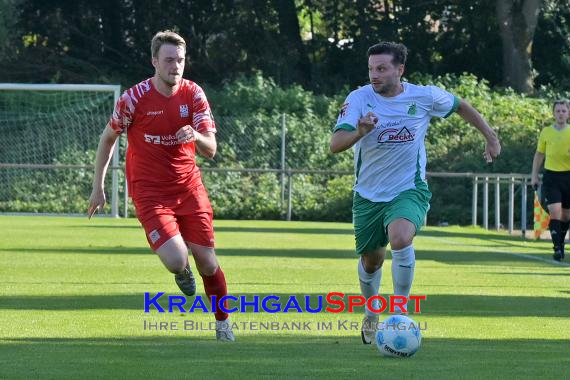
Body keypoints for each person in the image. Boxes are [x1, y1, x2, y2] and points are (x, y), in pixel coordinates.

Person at [330, 42, 501, 344]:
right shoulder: (358, 98)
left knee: (400, 238)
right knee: (372, 261)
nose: (374, 75)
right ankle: (372, 311)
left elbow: (461, 105)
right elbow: (336, 144)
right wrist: (359, 132)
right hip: (368, 195)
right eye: (371, 69)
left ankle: (400, 311)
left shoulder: (424, 96)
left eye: (381, 69)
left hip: (408, 188)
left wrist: (489, 137)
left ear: (400, 69)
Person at [88, 30, 234, 341]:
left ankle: (223, 326)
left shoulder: (194, 95)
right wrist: (97, 186)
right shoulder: (133, 99)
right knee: (176, 259)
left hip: (189, 189)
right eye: (169, 60)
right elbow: (108, 138)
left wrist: (195, 135)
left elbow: (211, 148)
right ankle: (181, 271)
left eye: (180, 60)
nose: (176, 66)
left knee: (208, 262)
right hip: (150, 193)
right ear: (154, 61)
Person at [531, 100, 570, 261]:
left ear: (568, 113)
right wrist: (534, 175)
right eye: (558, 111)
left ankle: (560, 243)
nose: (560, 114)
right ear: (553, 113)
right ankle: (557, 249)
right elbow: (539, 154)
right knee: (555, 212)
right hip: (551, 177)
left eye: (563, 111)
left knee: (566, 216)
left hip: (568, 176)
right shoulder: (546, 132)